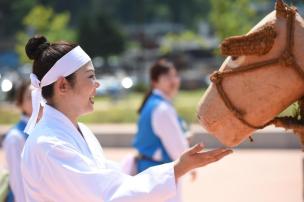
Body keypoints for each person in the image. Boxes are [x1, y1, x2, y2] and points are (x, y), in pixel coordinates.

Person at [21, 35, 232, 202]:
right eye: (91, 76)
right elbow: (106, 193)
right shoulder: (48, 145)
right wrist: (177, 168)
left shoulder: (80, 131)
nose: (98, 84)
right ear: (62, 85)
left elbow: (108, 179)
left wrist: (176, 167)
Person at [133, 60, 194, 201]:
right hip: (160, 177)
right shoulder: (162, 108)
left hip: (151, 173)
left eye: (175, 76)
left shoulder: (155, 104)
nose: (173, 81)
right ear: (155, 82)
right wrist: (190, 165)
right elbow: (177, 148)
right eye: (167, 77)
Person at [3, 80, 32, 202]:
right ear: (20, 103)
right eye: (30, 97)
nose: (37, 101)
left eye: (41, 95)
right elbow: (18, 184)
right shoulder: (15, 137)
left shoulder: (48, 130)